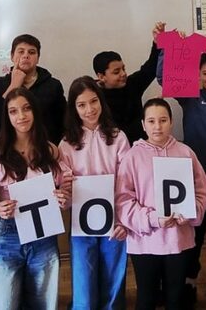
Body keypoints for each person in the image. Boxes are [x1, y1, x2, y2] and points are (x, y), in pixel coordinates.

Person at [158, 50, 206, 303]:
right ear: (198, 75)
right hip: (194, 180)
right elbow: (163, 77)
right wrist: (166, 49)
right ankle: (189, 283)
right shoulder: (190, 98)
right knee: (195, 234)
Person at [116, 99, 206, 310]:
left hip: (178, 241)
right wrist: (152, 219)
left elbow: (202, 192)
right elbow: (123, 200)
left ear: (171, 122)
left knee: (175, 298)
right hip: (144, 242)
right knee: (146, 299)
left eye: (163, 120)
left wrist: (190, 212)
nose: (157, 126)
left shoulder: (186, 153)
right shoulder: (132, 157)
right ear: (143, 125)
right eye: (151, 121)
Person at [0, 87, 73, 310]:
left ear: (35, 111)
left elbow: (64, 190)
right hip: (7, 233)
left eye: (26, 109)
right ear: (7, 116)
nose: (21, 116)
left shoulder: (50, 150)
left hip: (44, 234)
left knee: (44, 303)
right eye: (13, 111)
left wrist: (64, 199)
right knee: (5, 304)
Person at [59, 77, 131, 310]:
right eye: (81, 105)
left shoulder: (118, 137)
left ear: (101, 101)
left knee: (113, 281)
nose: (89, 109)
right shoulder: (66, 144)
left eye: (93, 101)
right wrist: (64, 192)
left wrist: (124, 219)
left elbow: (127, 182)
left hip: (114, 220)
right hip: (81, 224)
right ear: (74, 108)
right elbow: (64, 192)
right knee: (84, 285)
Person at [0, 34, 66, 144]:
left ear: (38, 58)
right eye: (21, 52)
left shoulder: (53, 85)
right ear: (12, 56)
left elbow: (63, 122)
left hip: (45, 148)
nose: (26, 56)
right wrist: (14, 86)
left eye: (31, 52)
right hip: (8, 148)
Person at [91, 22, 165, 142]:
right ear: (101, 76)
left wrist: (158, 42)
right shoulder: (93, 98)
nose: (123, 74)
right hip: (112, 148)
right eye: (116, 72)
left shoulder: (131, 84)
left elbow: (150, 68)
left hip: (140, 146)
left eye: (123, 69)